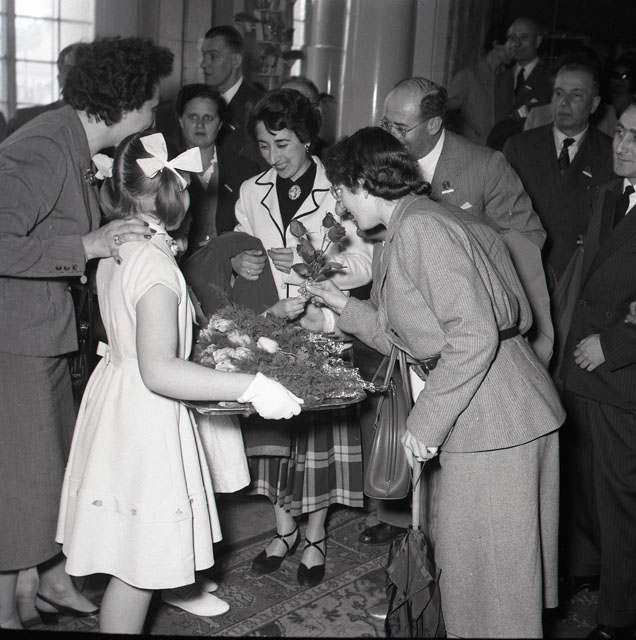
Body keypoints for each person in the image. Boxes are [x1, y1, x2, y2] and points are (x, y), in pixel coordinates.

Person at [305, 126, 565, 637]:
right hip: (493, 409)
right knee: (478, 580)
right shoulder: (418, 220)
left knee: (495, 595)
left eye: (339, 190)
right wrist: (340, 308)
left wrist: (424, 425)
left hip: (495, 419)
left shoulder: (421, 229)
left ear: (363, 182)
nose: (339, 205)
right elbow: (416, 335)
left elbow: (472, 336)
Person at [54, 131, 303, 635]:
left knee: (134, 558)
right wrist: (252, 386)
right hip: (145, 414)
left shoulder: (120, 244)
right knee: (141, 566)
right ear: (176, 193)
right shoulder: (155, 265)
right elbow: (160, 369)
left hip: (118, 398)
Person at [0, 35, 175, 631]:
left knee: (47, 474)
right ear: (123, 103)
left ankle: (50, 583)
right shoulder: (45, 146)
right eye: (150, 105)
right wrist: (88, 244)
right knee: (19, 486)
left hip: (41, 332)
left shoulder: (72, 143)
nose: (153, 116)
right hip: (15, 340)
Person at [365, 75, 553, 547]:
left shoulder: (485, 166)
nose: (390, 135)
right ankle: (420, 546)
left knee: (472, 501)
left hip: (469, 338)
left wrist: (466, 244)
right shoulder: (383, 166)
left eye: (400, 127)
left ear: (433, 123)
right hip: (416, 334)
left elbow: (526, 241)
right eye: (385, 123)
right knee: (430, 484)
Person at [232, 88, 373, 587]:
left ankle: (315, 534)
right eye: (264, 146)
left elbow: (363, 265)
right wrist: (238, 261)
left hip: (324, 324)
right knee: (275, 433)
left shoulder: (340, 187)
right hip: (274, 326)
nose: (273, 157)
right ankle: (283, 528)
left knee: (317, 441)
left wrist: (311, 258)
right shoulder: (251, 190)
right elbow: (239, 245)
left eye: (283, 144)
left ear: (307, 138)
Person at [558, 98, 636, 640]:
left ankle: (620, 615)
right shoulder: (611, 193)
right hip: (580, 364)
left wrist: (615, 344)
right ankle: (588, 568)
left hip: (619, 374)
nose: (623, 144)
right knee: (582, 482)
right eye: (622, 132)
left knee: (619, 498)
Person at [504, 52, 614, 286]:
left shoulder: (611, 155)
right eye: (559, 93)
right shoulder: (519, 148)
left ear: (594, 104)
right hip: (524, 273)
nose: (564, 103)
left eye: (576, 95)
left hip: (577, 277)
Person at [172, 83, 259, 255]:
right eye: (193, 117)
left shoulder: (246, 171)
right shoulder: (166, 171)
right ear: (181, 121)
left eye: (208, 118)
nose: (200, 125)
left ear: (220, 124)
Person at [201, 25, 268, 171]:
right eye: (204, 56)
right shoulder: (202, 103)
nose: (204, 64)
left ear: (236, 60)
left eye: (213, 56)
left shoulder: (260, 106)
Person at [488, 16, 553, 150]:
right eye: (512, 38)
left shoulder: (549, 79)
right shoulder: (501, 78)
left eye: (523, 37)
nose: (516, 44)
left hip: (533, 150)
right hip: (500, 150)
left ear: (538, 41)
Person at [446, 22, 513, 145]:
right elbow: (445, 108)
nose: (513, 53)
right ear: (495, 44)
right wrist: (466, 131)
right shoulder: (468, 77)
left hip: (502, 147)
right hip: (476, 148)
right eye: (509, 47)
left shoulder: (509, 79)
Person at [4, 42, 79, 140]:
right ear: (60, 79)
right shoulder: (24, 121)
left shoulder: (25, 120)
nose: (81, 79)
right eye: (72, 71)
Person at [280, 75, 331, 159]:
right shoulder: (263, 156)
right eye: (284, 106)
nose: (290, 114)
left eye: (300, 106)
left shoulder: (329, 157)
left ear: (317, 112)